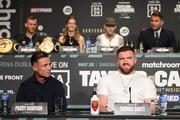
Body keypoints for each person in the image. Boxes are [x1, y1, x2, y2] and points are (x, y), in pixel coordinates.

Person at [97, 46, 156, 112]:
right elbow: (100, 106)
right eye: (122, 59)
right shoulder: (105, 79)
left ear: (135, 60)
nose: (125, 61)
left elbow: (151, 108)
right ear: (117, 62)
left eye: (129, 58)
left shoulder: (147, 81)